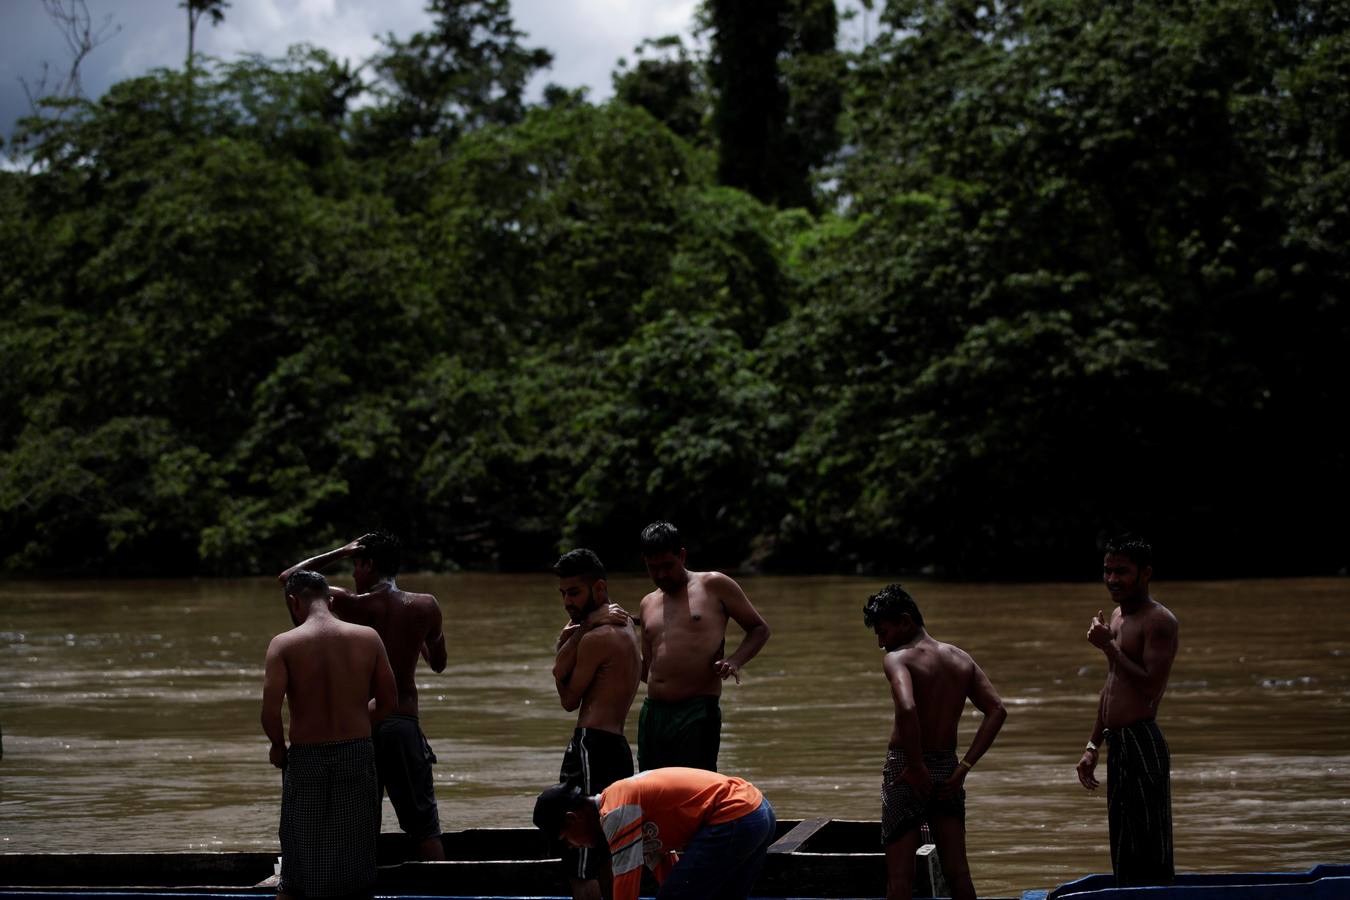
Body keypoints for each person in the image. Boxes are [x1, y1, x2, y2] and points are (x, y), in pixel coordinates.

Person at [278, 532, 448, 860]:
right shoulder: (425, 605)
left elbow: (290, 579)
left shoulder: (352, 605)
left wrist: (341, 550)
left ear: (368, 565)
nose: (354, 574)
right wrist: (417, 639)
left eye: (356, 566)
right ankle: (441, 892)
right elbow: (439, 664)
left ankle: (359, 889)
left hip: (361, 728)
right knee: (425, 827)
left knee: (359, 825)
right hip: (402, 723)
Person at [864, 583, 1007, 900]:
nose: (880, 643)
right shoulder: (960, 658)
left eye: (883, 633)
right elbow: (997, 710)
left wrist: (915, 766)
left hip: (906, 767)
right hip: (947, 769)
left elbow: (907, 706)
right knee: (958, 873)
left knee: (900, 879)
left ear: (905, 621)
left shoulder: (898, 659)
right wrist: (964, 769)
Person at [261, 570, 398, 900]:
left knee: (300, 854)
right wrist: (357, 721)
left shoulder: (284, 644)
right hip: (356, 750)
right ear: (332, 600)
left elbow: (269, 712)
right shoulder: (367, 637)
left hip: (306, 755)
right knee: (356, 846)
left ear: (294, 602)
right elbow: (390, 702)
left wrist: (278, 747)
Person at [1076, 535, 1179, 887]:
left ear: (1145, 573)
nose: (1112, 580)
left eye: (1122, 571)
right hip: (1117, 742)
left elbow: (1150, 688)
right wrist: (1092, 746)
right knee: (1123, 846)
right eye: (1107, 571)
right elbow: (1112, 684)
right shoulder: (1118, 617)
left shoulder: (1159, 621)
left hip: (1142, 741)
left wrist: (1108, 647)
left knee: (1150, 845)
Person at [636, 521, 770, 772]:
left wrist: (734, 661)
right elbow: (647, 670)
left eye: (667, 566)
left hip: (696, 710)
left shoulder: (714, 585)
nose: (661, 574)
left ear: (682, 555)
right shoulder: (647, 603)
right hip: (653, 713)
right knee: (652, 792)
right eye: (653, 568)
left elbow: (759, 629)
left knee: (694, 791)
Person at [550, 549, 642, 900]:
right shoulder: (625, 627)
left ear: (599, 589)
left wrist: (567, 644)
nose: (567, 602)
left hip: (591, 745)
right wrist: (583, 627)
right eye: (563, 594)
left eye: (574, 592)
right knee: (608, 848)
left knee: (580, 855)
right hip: (617, 748)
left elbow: (567, 696)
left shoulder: (596, 637)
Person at [534, 767, 777, 900]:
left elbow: (626, 886)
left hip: (736, 816)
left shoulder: (615, 813)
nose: (574, 846)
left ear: (572, 819)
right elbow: (667, 869)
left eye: (566, 840)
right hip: (758, 813)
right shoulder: (622, 807)